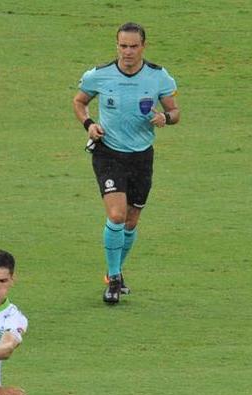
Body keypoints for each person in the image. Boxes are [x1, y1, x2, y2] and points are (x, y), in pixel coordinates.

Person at [73, 22, 179, 305]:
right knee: (117, 215)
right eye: (123, 46)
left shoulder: (158, 77)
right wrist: (89, 124)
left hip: (142, 156)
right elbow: (79, 102)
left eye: (133, 46)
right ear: (116, 45)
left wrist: (164, 119)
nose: (127, 52)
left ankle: (117, 272)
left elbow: (175, 111)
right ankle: (114, 278)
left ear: (143, 46)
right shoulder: (99, 75)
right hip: (109, 153)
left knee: (131, 221)